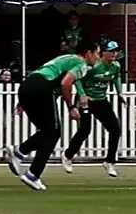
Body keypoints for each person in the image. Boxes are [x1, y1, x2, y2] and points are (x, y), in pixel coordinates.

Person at [13, 47, 90, 190]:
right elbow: (65, 83)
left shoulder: (65, 58)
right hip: (42, 89)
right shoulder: (81, 63)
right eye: (97, 53)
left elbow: (44, 73)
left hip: (27, 85)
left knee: (46, 131)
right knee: (53, 133)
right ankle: (32, 174)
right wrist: (71, 107)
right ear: (88, 53)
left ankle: (19, 152)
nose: (97, 57)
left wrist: (23, 100)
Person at [63, 41, 126, 176]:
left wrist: (120, 93)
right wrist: (82, 94)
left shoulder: (116, 66)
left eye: (116, 51)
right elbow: (77, 79)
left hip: (101, 100)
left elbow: (116, 78)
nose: (114, 54)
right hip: (86, 100)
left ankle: (110, 161)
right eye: (111, 51)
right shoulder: (93, 66)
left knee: (115, 129)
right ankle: (68, 155)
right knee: (85, 130)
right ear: (103, 53)